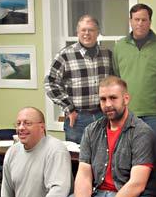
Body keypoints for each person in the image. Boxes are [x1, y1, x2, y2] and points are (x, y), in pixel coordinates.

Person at [45, 14, 112, 144]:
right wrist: (69, 109)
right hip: (77, 118)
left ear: (98, 32)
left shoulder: (107, 55)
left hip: (103, 115)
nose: (87, 33)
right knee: (77, 160)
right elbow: (50, 83)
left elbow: (113, 84)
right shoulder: (65, 55)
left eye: (91, 30)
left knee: (103, 158)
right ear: (77, 32)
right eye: (83, 30)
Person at [113, 3, 156, 131]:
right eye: (136, 19)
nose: (140, 23)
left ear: (150, 22)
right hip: (127, 113)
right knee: (129, 151)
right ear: (130, 21)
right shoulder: (120, 47)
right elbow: (117, 78)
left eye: (144, 20)